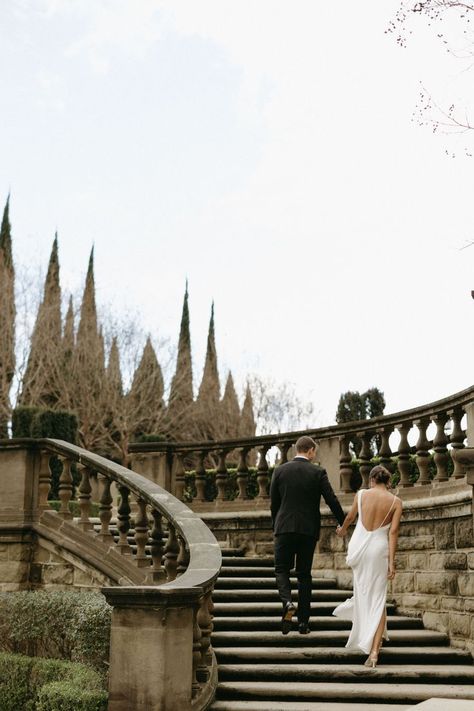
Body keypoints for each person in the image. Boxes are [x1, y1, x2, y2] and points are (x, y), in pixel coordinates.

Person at [270, 435, 345, 635]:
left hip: (284, 528)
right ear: (310, 450)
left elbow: (274, 504)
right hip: (308, 530)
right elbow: (331, 499)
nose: (314, 455)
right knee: (304, 575)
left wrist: (275, 526)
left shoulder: (280, 471)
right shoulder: (317, 471)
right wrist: (342, 521)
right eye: (314, 452)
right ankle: (303, 623)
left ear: (297, 449)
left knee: (281, 570)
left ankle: (287, 603)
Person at [333, 464, 403, 667]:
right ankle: (373, 652)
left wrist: (342, 530)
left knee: (365, 593)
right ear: (388, 481)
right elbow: (393, 533)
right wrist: (391, 561)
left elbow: (350, 517)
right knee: (378, 599)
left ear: (372, 479)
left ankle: (374, 639)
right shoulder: (396, 502)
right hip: (379, 550)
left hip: (360, 549)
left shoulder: (361, 494)